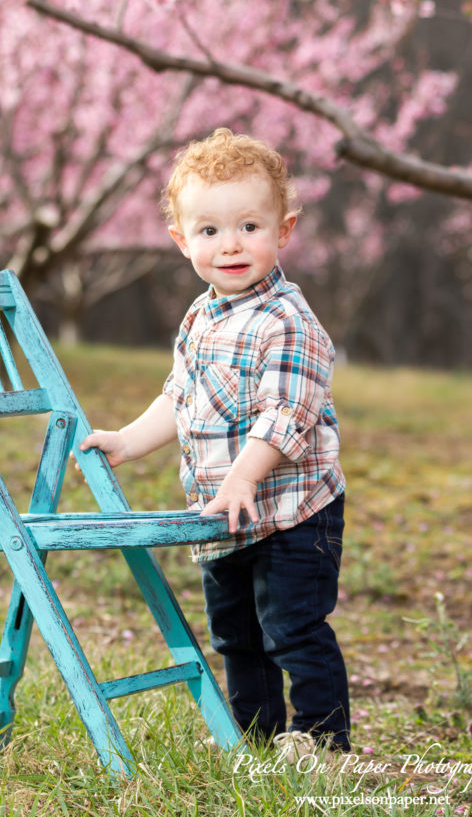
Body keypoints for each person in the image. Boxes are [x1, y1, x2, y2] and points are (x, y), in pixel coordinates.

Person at [80, 127, 350, 754]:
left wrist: (246, 475)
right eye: (209, 231)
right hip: (221, 514)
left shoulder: (289, 320)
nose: (230, 245)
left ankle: (322, 740)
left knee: (292, 627)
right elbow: (179, 396)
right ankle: (255, 733)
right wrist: (127, 440)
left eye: (249, 227)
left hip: (291, 513)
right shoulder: (200, 318)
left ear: (283, 231)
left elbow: (288, 415)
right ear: (182, 241)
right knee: (236, 632)